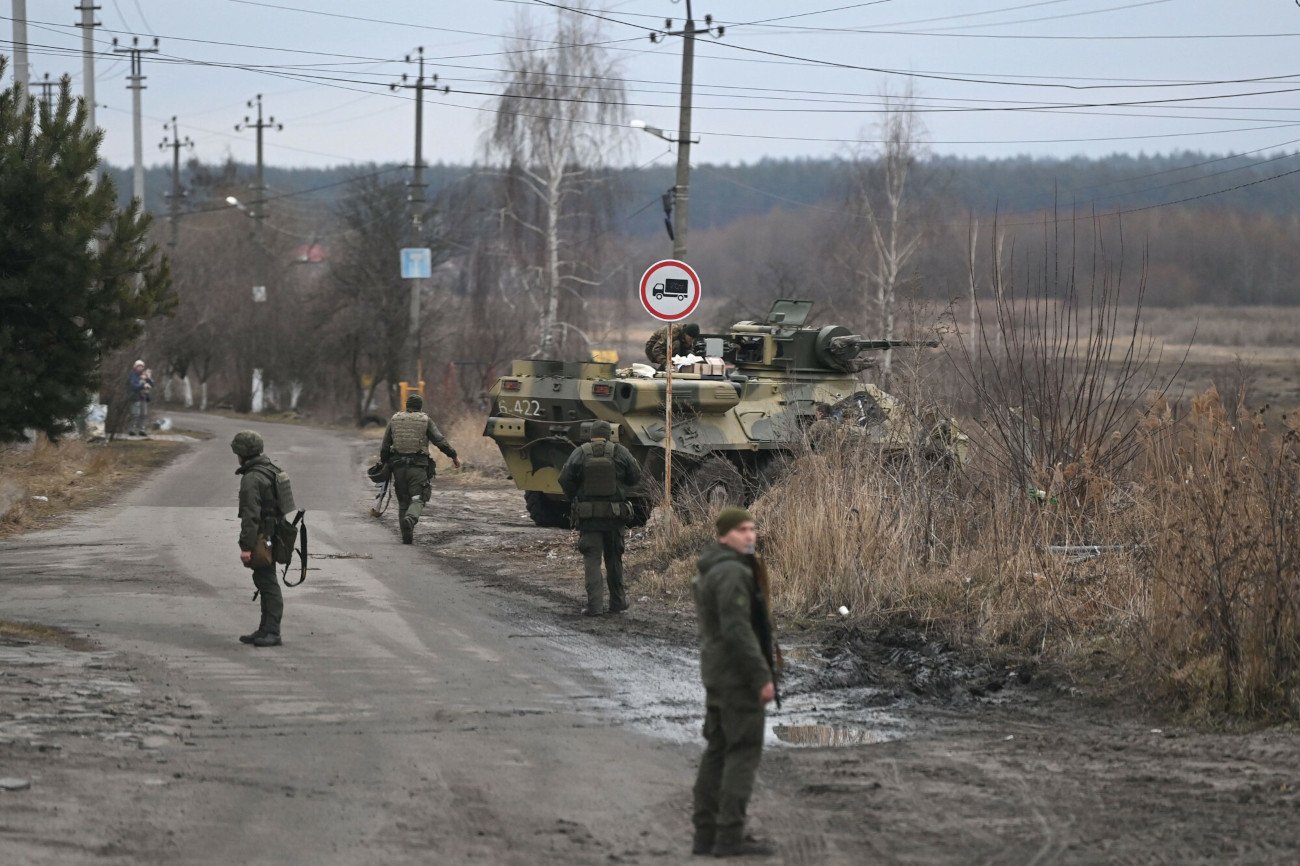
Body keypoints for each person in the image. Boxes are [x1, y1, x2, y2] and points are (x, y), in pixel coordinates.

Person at [691, 507, 780, 858]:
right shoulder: (731, 572)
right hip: (736, 676)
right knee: (741, 752)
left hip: (718, 672)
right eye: (742, 530)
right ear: (724, 535)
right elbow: (737, 630)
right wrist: (761, 676)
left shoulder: (714, 566)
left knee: (717, 750)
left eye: (752, 529)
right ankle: (729, 836)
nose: (750, 535)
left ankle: (706, 834)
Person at [558, 420, 642, 616]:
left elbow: (564, 478)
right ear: (609, 435)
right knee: (614, 560)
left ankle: (595, 607)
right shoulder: (619, 452)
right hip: (615, 516)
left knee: (592, 560)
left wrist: (576, 499)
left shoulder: (580, 452)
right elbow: (636, 476)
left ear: (591, 434)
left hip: (589, 518)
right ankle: (618, 602)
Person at [380, 393, 459, 544]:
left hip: (398, 468)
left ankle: (406, 538)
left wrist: (384, 463)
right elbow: (439, 441)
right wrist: (453, 456)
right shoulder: (425, 420)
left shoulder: (395, 419)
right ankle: (411, 518)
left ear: (407, 406)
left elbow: (385, 446)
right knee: (418, 498)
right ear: (420, 407)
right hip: (417, 468)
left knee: (403, 502)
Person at [231, 430, 285, 648]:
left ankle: (272, 631)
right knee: (264, 580)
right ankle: (264, 629)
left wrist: (246, 546)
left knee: (268, 582)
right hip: (273, 533)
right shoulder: (271, 469)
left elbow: (250, 515)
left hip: (262, 536)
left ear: (243, 453)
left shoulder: (252, 478)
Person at [127, 360, 153, 437]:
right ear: (135, 367)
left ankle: (142, 430)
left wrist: (148, 378)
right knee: (135, 414)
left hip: (144, 397)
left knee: (144, 414)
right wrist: (142, 385)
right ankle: (132, 429)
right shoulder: (133, 375)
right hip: (135, 397)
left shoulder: (145, 375)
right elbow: (133, 386)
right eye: (139, 366)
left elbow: (152, 384)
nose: (140, 368)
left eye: (142, 366)